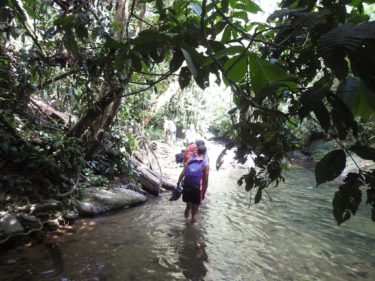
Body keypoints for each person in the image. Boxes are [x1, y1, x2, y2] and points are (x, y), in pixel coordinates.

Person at [177, 144, 209, 223]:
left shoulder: (190, 160)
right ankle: (190, 230)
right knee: (194, 213)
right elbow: (205, 182)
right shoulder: (205, 164)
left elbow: (182, 173)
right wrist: (203, 193)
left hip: (187, 187)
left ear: (197, 151)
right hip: (196, 189)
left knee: (188, 207)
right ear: (205, 153)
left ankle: (185, 222)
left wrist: (178, 183)